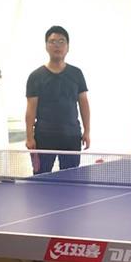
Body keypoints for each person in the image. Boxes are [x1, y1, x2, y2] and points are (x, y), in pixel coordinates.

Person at [25, 25, 90, 173]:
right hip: (44, 137)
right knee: (41, 179)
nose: (57, 45)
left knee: (71, 179)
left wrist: (87, 131)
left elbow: (84, 104)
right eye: (52, 41)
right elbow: (30, 109)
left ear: (68, 47)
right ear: (46, 46)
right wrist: (29, 137)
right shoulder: (35, 76)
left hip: (71, 136)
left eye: (61, 41)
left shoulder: (76, 73)